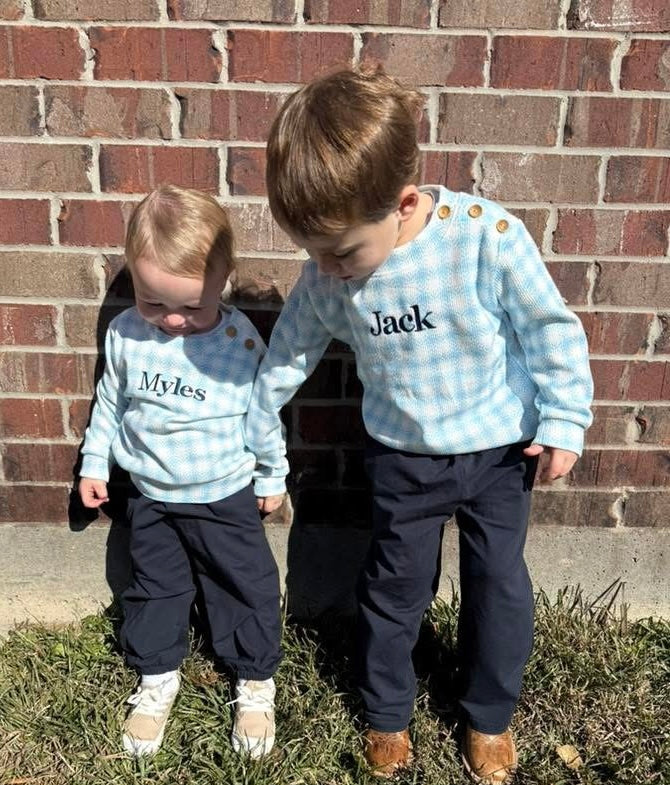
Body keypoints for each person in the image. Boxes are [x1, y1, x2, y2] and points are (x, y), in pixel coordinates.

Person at [246, 69, 593, 783]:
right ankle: (387, 711)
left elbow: (549, 327)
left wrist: (565, 419)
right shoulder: (328, 277)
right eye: (314, 252)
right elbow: (284, 361)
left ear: (403, 204)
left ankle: (489, 714)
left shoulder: (486, 238)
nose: (325, 270)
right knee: (394, 588)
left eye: (341, 253)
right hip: (403, 459)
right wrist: (263, 455)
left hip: (499, 452)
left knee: (499, 582)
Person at [78, 185, 288, 760]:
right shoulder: (126, 335)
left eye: (193, 305)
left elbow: (263, 415)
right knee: (154, 587)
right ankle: (157, 677)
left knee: (243, 584)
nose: (173, 319)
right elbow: (111, 405)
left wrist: (272, 474)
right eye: (154, 302)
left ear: (223, 279)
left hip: (225, 495)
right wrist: (95, 462)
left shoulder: (239, 341)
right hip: (150, 495)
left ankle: (253, 679)